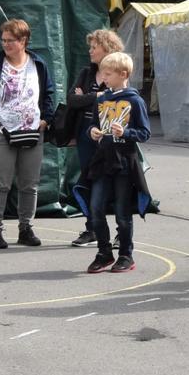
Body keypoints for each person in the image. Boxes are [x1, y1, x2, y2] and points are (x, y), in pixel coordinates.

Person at [0, 19, 54, 250]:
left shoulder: (38, 63)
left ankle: (25, 228)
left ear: (23, 41)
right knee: (0, 184)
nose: (5, 44)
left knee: (30, 184)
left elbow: (48, 92)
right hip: (0, 132)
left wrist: (45, 119)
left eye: (10, 40)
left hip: (32, 131)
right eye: (3, 40)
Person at [79, 52, 152, 274]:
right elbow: (91, 124)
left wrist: (126, 132)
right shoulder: (101, 99)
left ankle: (126, 255)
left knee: (122, 212)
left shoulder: (135, 100)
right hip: (102, 160)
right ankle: (104, 252)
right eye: (103, 73)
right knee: (96, 207)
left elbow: (145, 132)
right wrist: (92, 131)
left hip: (124, 162)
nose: (104, 78)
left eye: (108, 74)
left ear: (123, 74)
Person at [66, 29, 126, 247]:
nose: (90, 51)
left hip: (113, 138)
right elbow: (72, 100)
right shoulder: (87, 73)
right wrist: (97, 96)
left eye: (94, 47)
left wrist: (88, 98)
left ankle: (122, 231)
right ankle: (92, 228)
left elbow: (121, 100)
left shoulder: (119, 72)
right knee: (89, 180)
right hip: (86, 135)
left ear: (107, 49)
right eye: (89, 47)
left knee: (117, 183)